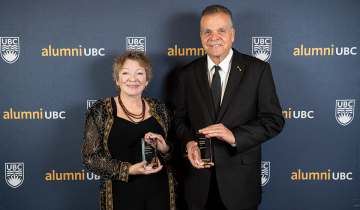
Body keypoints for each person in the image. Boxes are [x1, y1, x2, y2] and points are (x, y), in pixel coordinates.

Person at [173, 5, 285, 210]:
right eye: (208, 32)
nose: (214, 37)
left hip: (240, 185)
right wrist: (189, 144)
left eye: (221, 30)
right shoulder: (186, 74)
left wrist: (235, 136)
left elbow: (274, 120)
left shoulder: (258, 70)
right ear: (201, 36)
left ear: (232, 34)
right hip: (198, 184)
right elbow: (180, 119)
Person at [82, 50, 178, 210]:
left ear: (147, 80)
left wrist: (165, 148)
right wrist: (129, 170)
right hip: (121, 199)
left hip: (161, 196)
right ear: (117, 80)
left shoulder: (160, 108)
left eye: (139, 73)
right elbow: (90, 158)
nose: (132, 79)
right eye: (125, 73)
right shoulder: (100, 110)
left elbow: (177, 153)